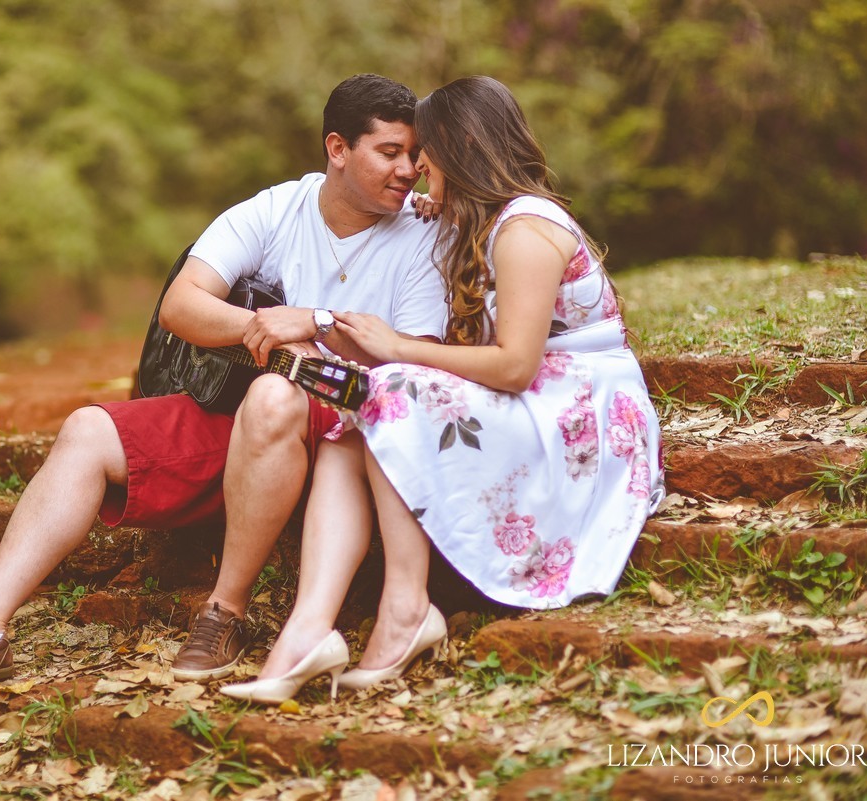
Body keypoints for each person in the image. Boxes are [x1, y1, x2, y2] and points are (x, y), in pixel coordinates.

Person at [0, 74, 447, 682]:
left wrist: (320, 324)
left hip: (345, 428)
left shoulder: (425, 230)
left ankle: (225, 613)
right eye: (389, 152)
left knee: (274, 396)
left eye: (413, 154)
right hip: (246, 420)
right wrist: (262, 327)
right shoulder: (278, 208)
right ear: (337, 149)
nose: (407, 169)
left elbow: (414, 361)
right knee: (89, 429)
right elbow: (182, 303)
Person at [219, 75, 664, 705]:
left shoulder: (527, 230)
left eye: (424, 166)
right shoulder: (483, 224)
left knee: (390, 385)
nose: (413, 179)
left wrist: (396, 347)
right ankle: (306, 631)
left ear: (458, 155)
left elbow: (513, 367)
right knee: (356, 421)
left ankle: (405, 607)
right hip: (542, 394)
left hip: (577, 408)